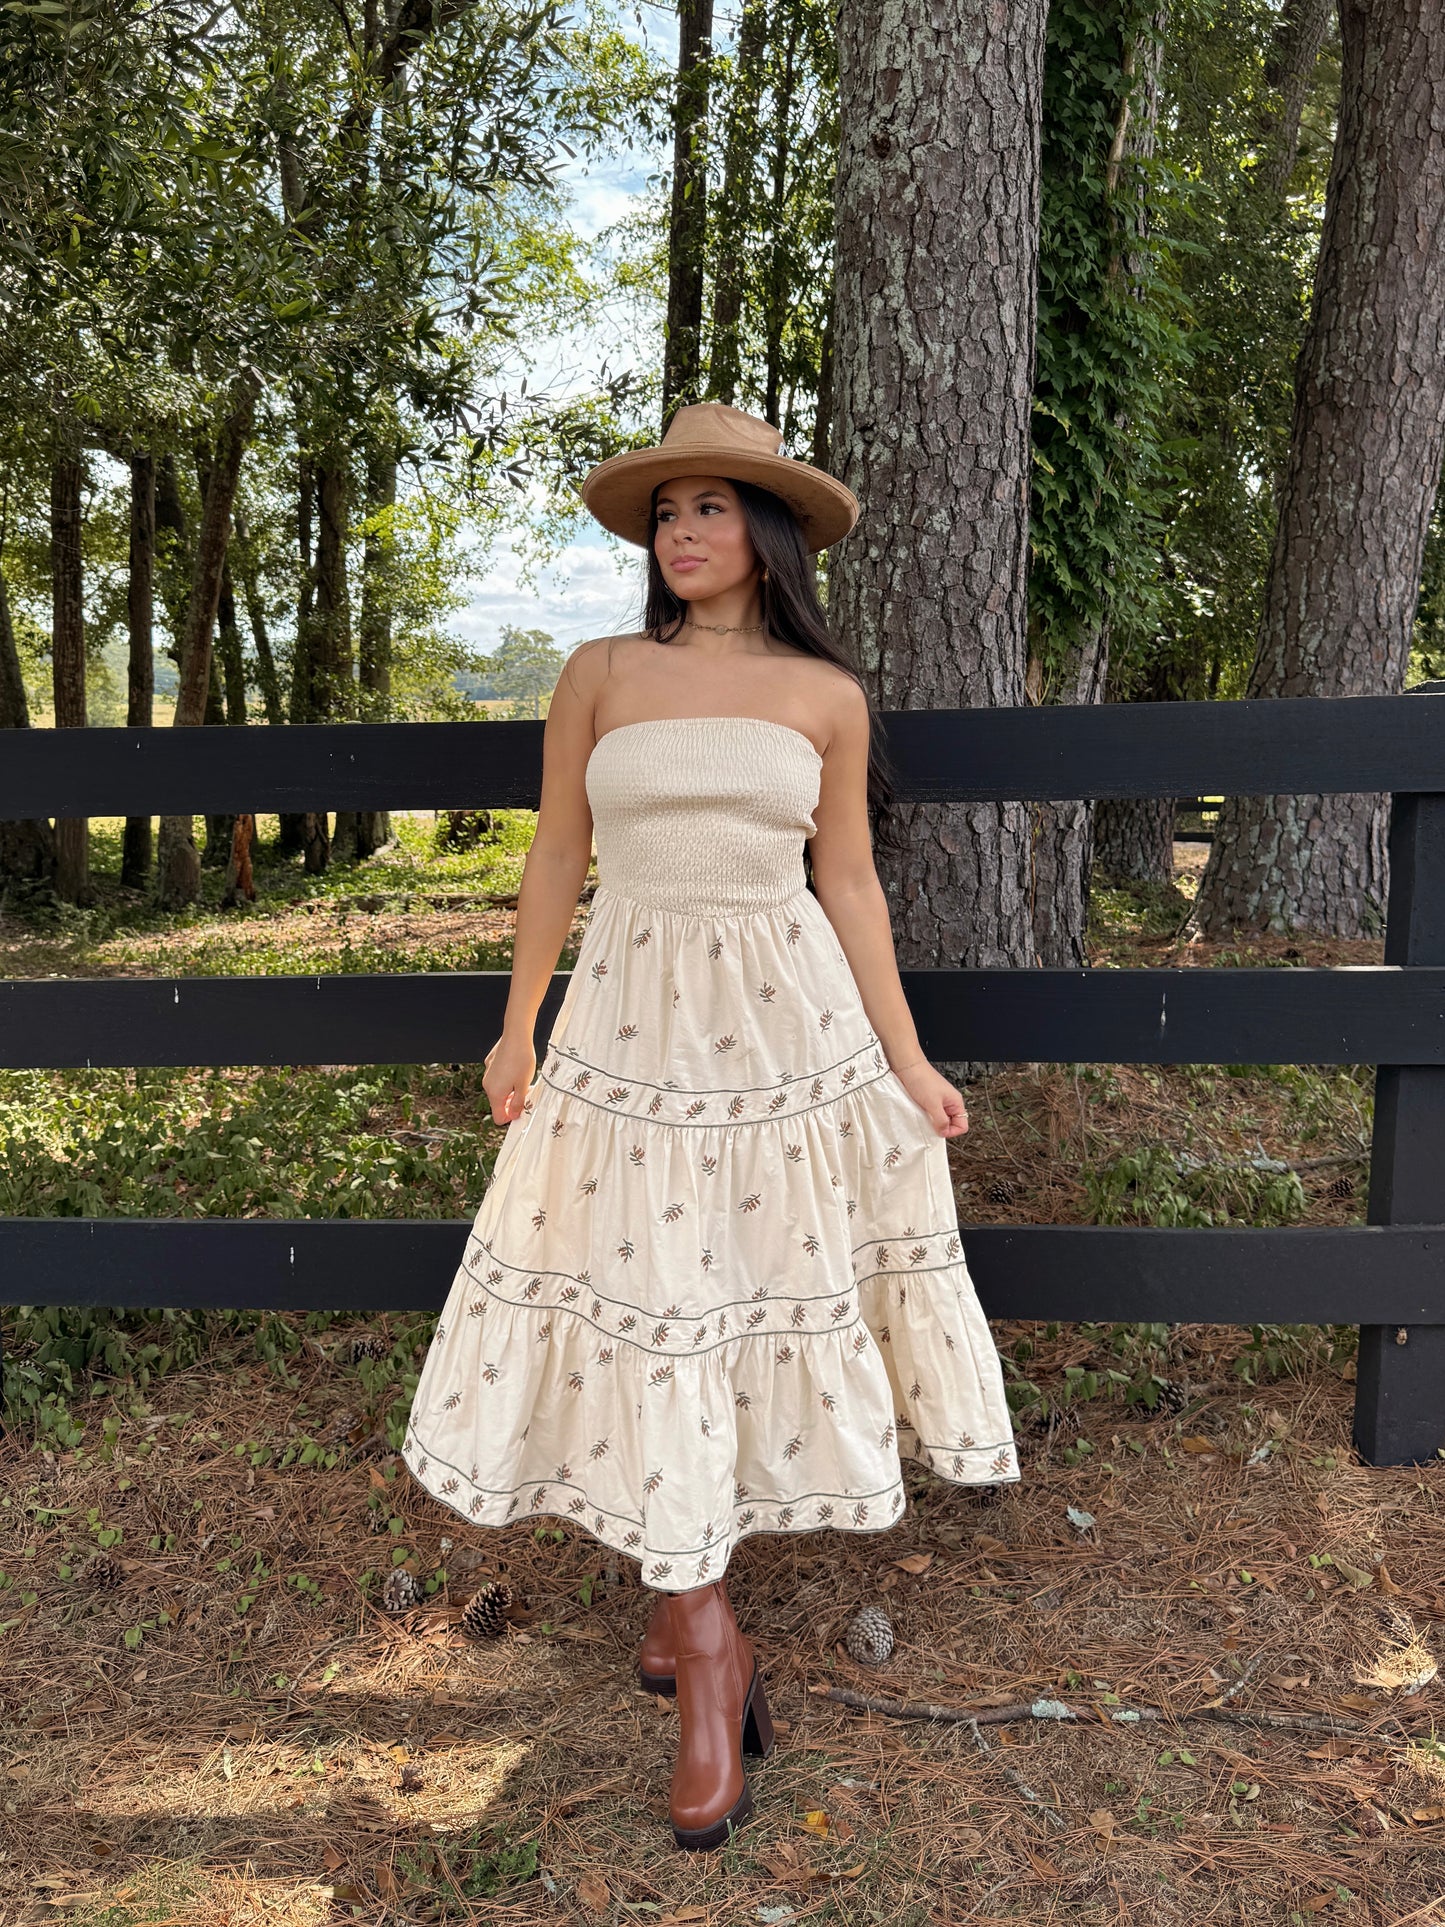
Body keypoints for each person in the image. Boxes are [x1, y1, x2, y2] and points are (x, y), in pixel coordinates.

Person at [402, 401, 1018, 1852]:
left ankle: (696, 1631)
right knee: (645, 1300)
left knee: (737, 1299)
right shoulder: (599, 673)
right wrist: (516, 1022)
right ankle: (706, 1634)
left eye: (713, 509)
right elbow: (558, 850)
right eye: (665, 512)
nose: (684, 533)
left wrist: (905, 1057)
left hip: (783, 1028)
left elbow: (850, 883)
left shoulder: (823, 695)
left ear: (767, 534)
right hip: (625, 1023)